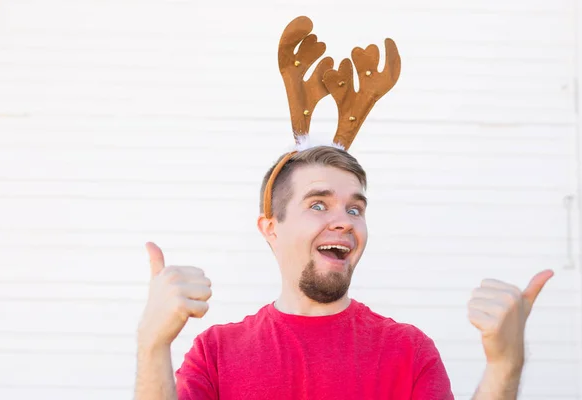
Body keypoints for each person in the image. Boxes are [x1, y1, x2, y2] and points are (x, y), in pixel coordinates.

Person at [133, 16, 554, 400]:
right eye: (319, 203)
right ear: (270, 227)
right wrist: (152, 346)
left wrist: (504, 366)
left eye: (356, 209)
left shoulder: (408, 351)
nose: (343, 221)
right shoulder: (216, 354)